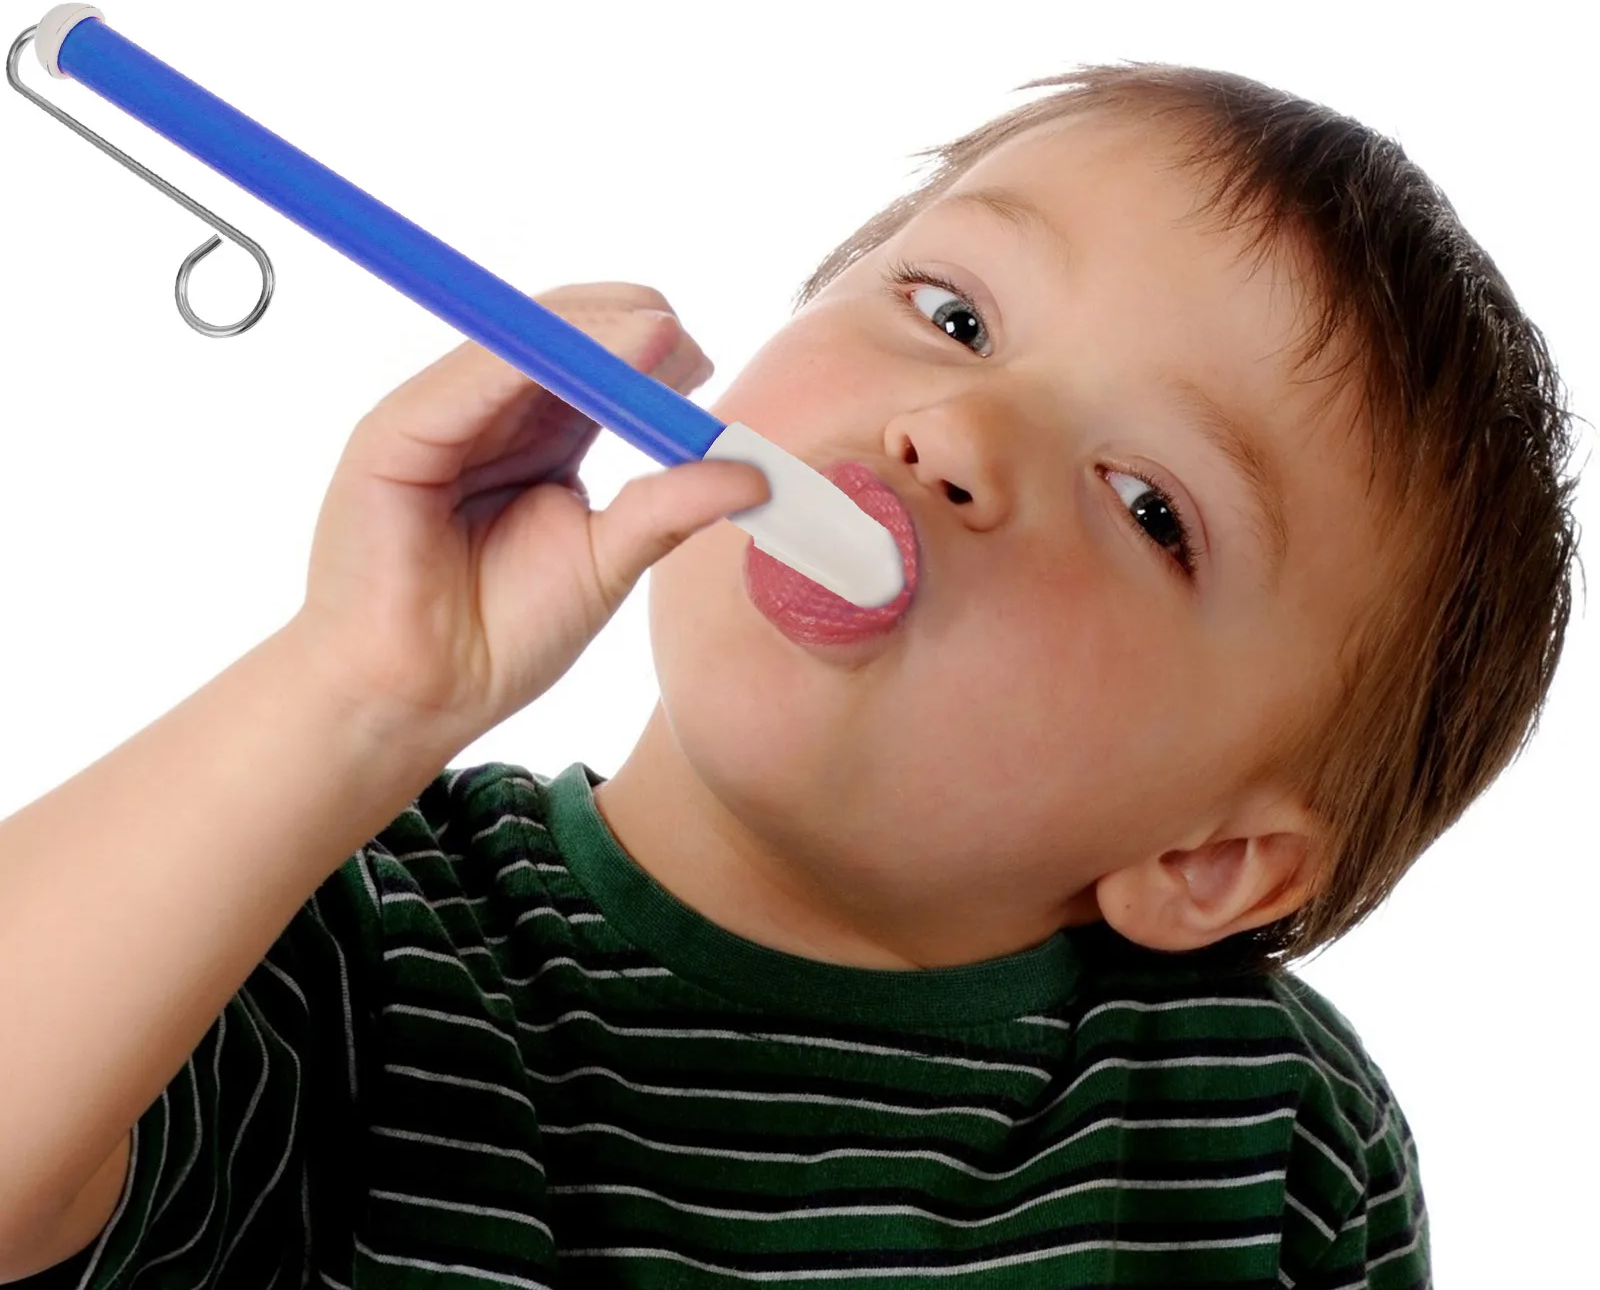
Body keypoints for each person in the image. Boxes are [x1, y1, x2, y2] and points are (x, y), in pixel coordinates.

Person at [0, 65, 1579, 1287]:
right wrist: (351, 689)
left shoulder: (1264, 1134)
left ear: (1209, 857)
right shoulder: (360, 945)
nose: (956, 433)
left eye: (1150, 505)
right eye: (953, 314)